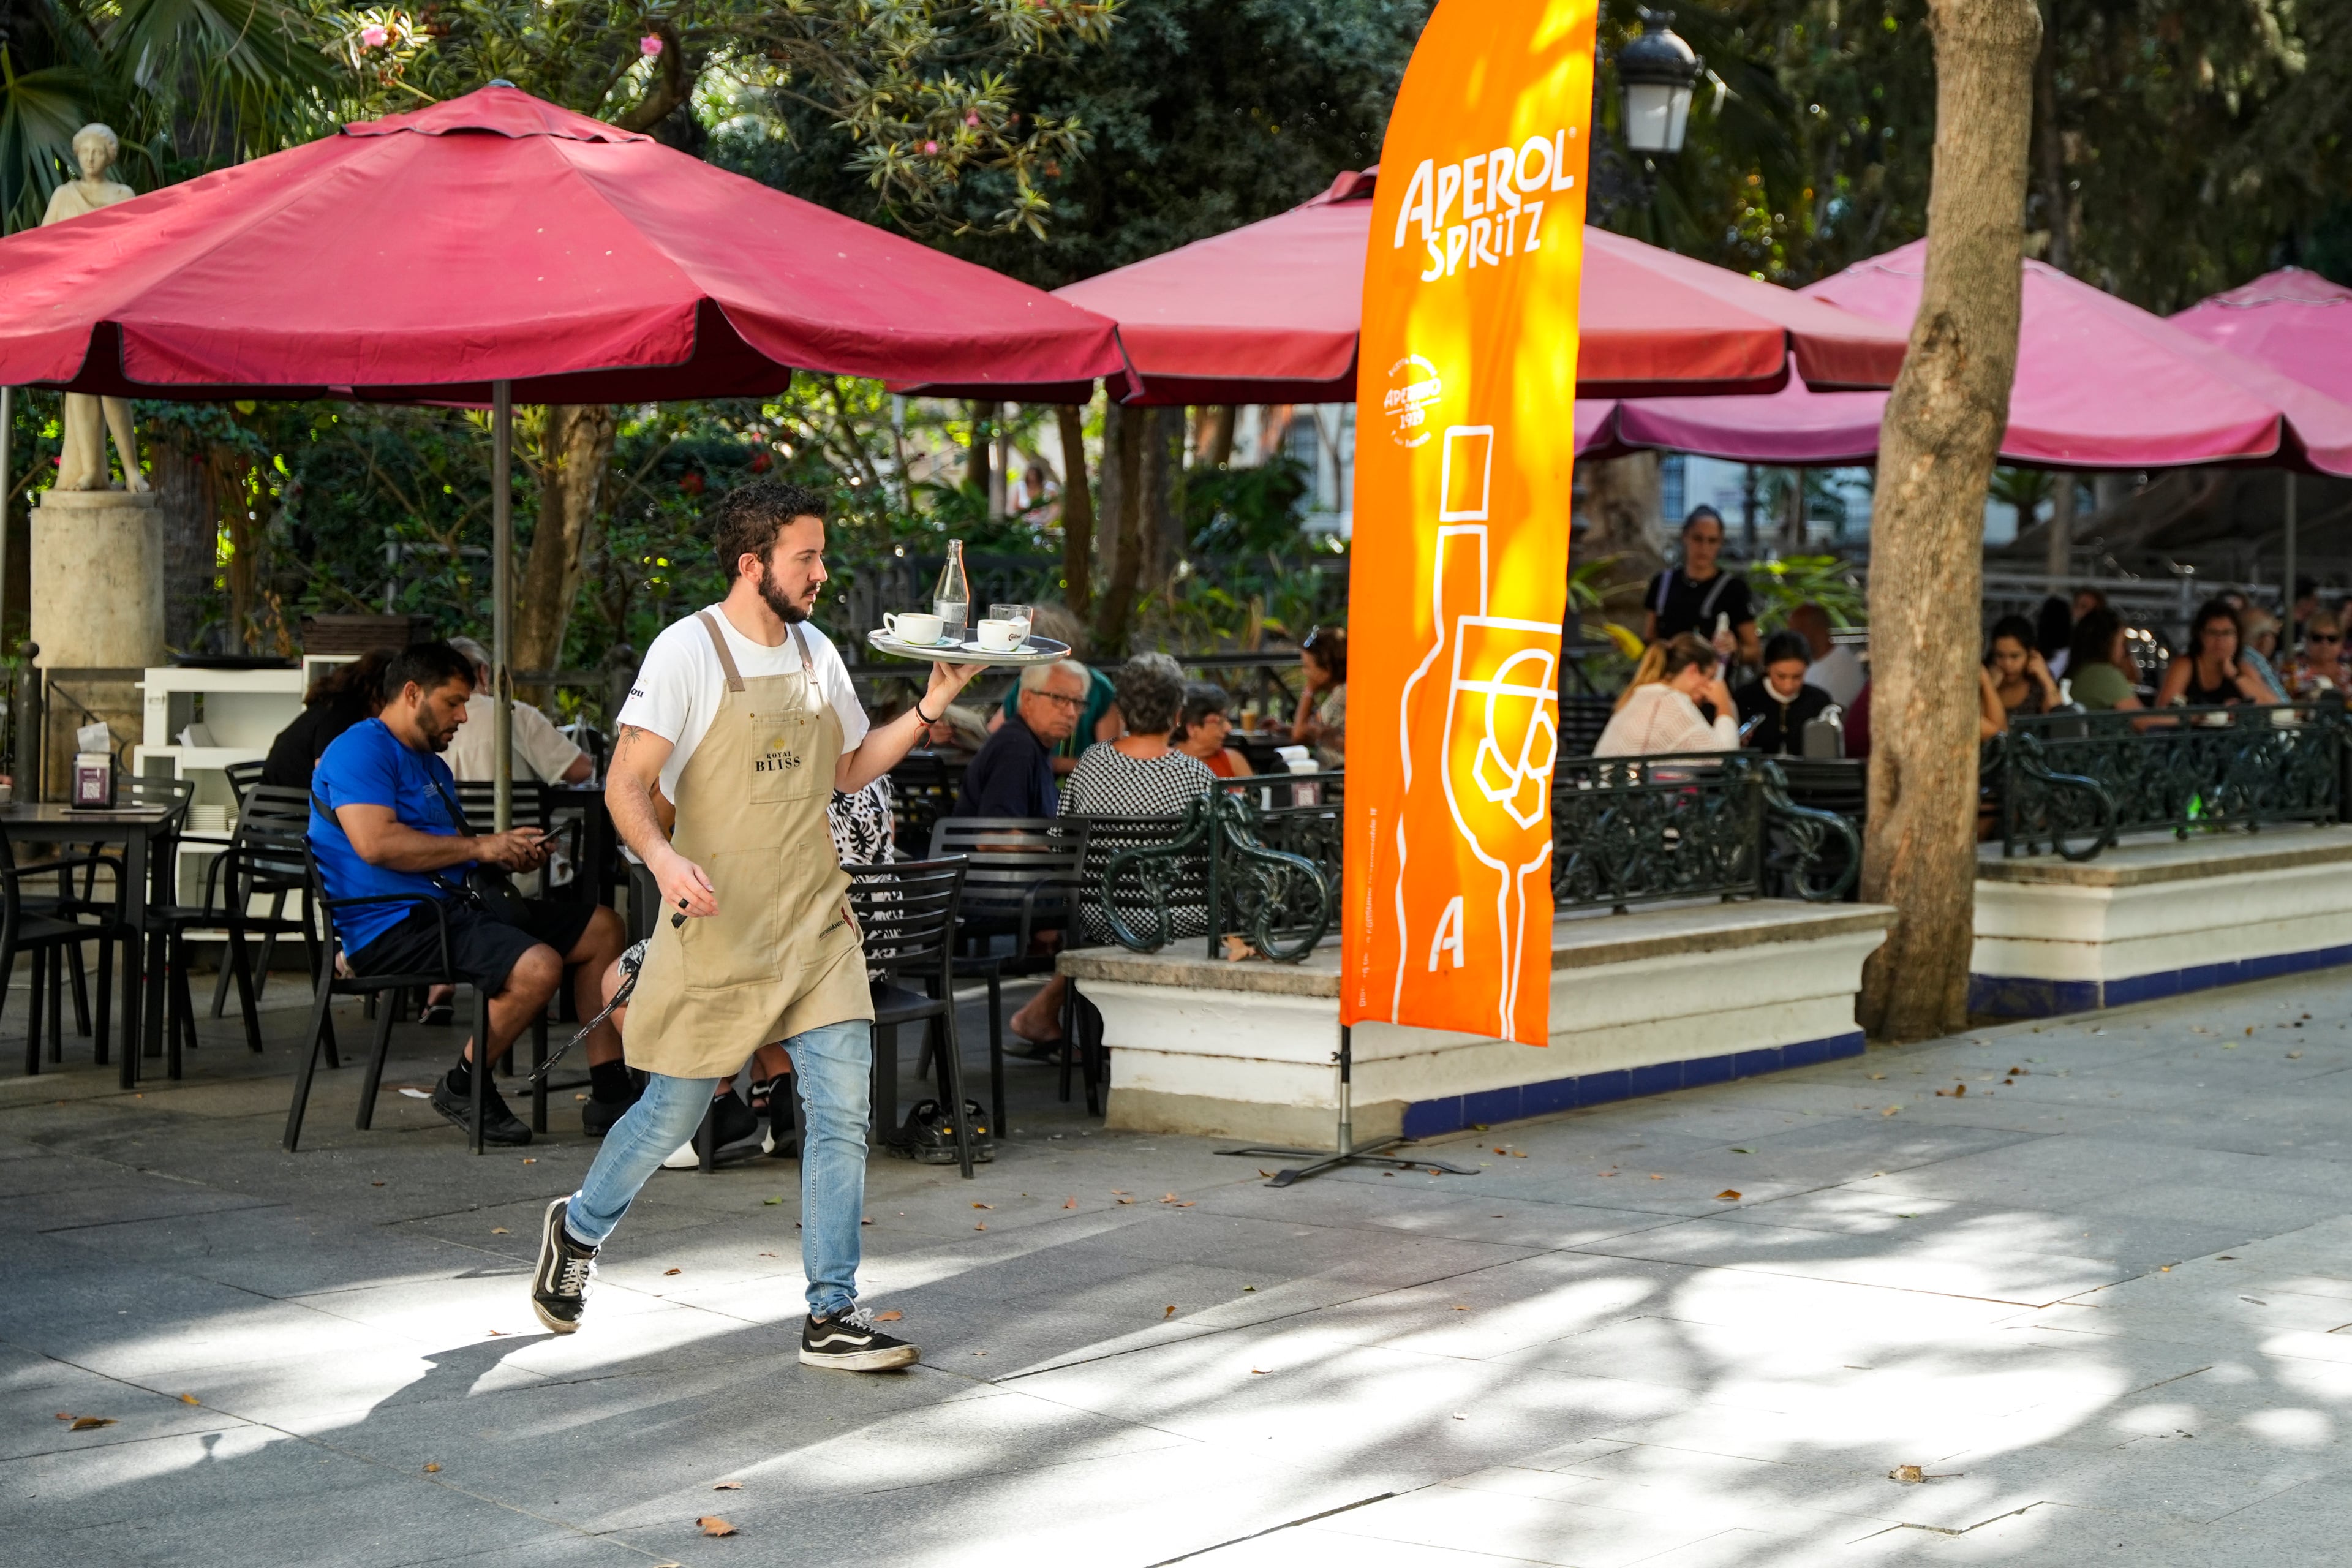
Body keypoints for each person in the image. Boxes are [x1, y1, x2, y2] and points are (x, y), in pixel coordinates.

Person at [532, 480, 984, 1371]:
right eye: (805, 557)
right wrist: (664, 863)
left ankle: (832, 1313)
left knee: (843, 1111)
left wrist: (931, 705)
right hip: (720, 929)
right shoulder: (686, 652)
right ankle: (578, 1232)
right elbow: (625, 786)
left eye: (820, 554)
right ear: (754, 565)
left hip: (815, 924)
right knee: (673, 1112)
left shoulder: (819, 654)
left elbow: (850, 769)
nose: (822, 572)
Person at [308, 642, 629, 1147]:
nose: (463, 715)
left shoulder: (431, 764)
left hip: (451, 908)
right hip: (391, 925)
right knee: (538, 966)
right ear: (412, 694)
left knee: (602, 928)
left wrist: (502, 852)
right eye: (454, 702)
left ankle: (611, 1093)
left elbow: (444, 849)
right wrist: (482, 845)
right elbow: (375, 844)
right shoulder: (361, 749)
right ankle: (464, 1083)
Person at [1009, 654, 1215, 1047]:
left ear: (1122, 710)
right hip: (1179, 919)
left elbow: (1061, 840)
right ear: (1177, 715)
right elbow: (1214, 857)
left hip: (1102, 917)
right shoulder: (1195, 775)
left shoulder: (1090, 763)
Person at [442, 636, 593, 785]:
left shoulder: (432, 724)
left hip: (450, 810)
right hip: (513, 810)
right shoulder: (513, 713)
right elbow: (581, 770)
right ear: (483, 672)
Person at [993, 604, 1118, 775]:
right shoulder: (1027, 682)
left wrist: (1052, 763)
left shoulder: (1099, 688)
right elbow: (993, 734)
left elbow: (1111, 762)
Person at [955, 659, 1088, 818]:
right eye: (1058, 698)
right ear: (1028, 699)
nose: (1071, 713)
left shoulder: (1032, 745)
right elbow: (996, 838)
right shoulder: (1016, 750)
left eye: (1078, 702)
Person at [260, 646, 396, 790]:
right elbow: (328, 772)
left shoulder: (333, 705)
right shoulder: (341, 713)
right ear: (377, 692)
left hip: (282, 796)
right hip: (286, 803)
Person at [1642, 507, 1760, 668]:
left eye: (1712, 541)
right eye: (1698, 539)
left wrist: (1734, 649)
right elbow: (1650, 639)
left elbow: (1754, 650)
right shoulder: (1662, 583)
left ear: (1720, 543)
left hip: (1709, 683)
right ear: (1685, 537)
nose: (1704, 548)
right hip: (1667, 680)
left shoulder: (1733, 589)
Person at [1594, 635, 1740, 757]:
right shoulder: (1671, 702)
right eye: (1710, 677)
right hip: (1629, 790)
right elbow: (1723, 757)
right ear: (1694, 671)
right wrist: (1724, 704)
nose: (1711, 688)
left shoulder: (1645, 694)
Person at [2155, 597, 2279, 708]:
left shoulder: (2243, 667)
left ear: (2238, 637)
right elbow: (2164, 709)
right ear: (2201, 635)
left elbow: (2273, 705)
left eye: (2227, 633)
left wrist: (2234, 675)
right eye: (2213, 633)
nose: (2220, 640)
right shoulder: (2186, 664)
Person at [1733, 632, 1833, 756]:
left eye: (1797, 677)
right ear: (1767, 667)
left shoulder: (1818, 701)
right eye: (1781, 676)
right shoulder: (1745, 698)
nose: (1788, 686)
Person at [2064, 607, 2146, 714]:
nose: (2123, 650)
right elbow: (2143, 720)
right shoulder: (2104, 674)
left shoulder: (2083, 672)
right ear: (2108, 644)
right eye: (2121, 643)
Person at [1985, 614, 2062, 720]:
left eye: (2015, 656)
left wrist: (2046, 679)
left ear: (2030, 654)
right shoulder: (1985, 681)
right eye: (2000, 656)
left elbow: (2058, 718)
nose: (2007, 664)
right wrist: (1989, 687)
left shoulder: (2037, 686)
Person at [1289, 625, 1347, 767]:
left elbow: (1299, 734)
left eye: (1307, 667)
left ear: (1326, 668)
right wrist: (1284, 729)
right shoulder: (1341, 692)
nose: (1304, 672)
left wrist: (1309, 689)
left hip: (1337, 782)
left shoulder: (1342, 695)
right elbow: (1315, 732)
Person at [1786, 602, 1863, 707]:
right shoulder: (1811, 663)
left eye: (1796, 632)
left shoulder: (1842, 666)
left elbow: (1832, 714)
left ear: (1815, 630)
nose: (1792, 640)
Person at [1175, 682, 1254, 777]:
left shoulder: (1233, 760)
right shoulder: (1168, 769)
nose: (1228, 728)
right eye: (1220, 722)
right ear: (1192, 728)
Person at [2288, 609, 2351, 698]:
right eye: (2317, 638)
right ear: (2306, 640)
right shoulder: (2292, 672)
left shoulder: (2348, 674)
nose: (2324, 644)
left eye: (2332, 638)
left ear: (2342, 642)